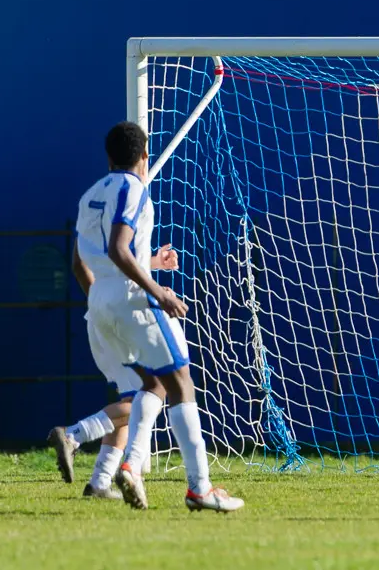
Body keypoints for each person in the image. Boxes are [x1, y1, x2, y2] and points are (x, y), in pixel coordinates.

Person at [75, 121, 243, 512]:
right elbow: (119, 249)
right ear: (144, 155)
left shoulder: (89, 195)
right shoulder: (133, 188)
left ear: (109, 156)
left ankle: (129, 465)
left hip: (99, 300)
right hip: (133, 295)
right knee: (181, 381)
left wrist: (104, 303)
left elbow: (79, 261)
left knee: (149, 385)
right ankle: (199, 489)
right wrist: (158, 291)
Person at [48, 242, 178, 499]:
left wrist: (152, 264)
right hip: (120, 318)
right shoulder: (116, 209)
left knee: (133, 401)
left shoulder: (94, 211)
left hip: (102, 318)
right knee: (153, 394)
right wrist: (153, 293)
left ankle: (100, 482)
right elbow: (96, 264)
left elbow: (107, 265)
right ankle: (74, 435)